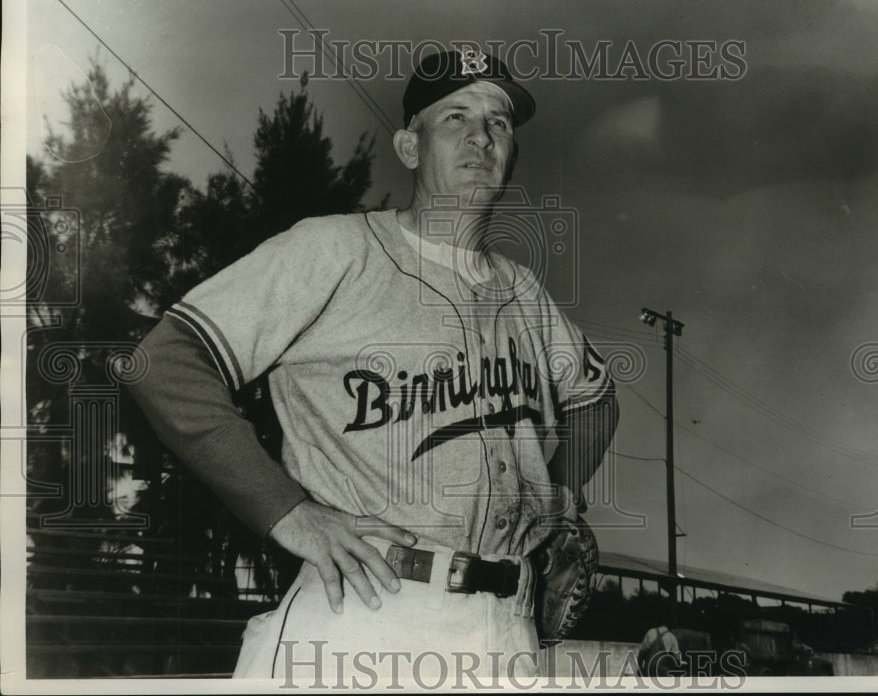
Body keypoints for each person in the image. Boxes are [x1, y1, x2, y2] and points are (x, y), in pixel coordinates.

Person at [128, 46, 619, 685]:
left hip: (510, 630)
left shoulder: (526, 294)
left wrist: (559, 495)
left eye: (498, 122)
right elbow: (162, 361)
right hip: (366, 614)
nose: (481, 136)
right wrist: (285, 510)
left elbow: (596, 399)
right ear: (410, 148)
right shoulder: (334, 250)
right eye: (455, 118)